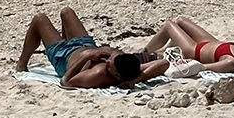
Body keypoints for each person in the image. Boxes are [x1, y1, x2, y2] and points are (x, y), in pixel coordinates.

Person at [16, 8, 169, 88]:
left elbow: (65, 81)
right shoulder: (129, 68)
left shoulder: (97, 74)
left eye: (111, 66)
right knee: (66, 11)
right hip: (85, 45)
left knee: (39, 19)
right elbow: (164, 64)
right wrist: (137, 79)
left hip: (65, 56)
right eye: (112, 60)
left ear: (117, 76)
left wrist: (88, 57)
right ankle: (64, 39)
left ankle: (21, 65)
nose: (108, 62)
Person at [144, 15, 234, 77]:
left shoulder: (232, 63)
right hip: (209, 42)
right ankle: (161, 50)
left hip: (194, 50)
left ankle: (144, 53)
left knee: (169, 25)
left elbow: (201, 67)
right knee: (181, 20)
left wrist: (185, 63)